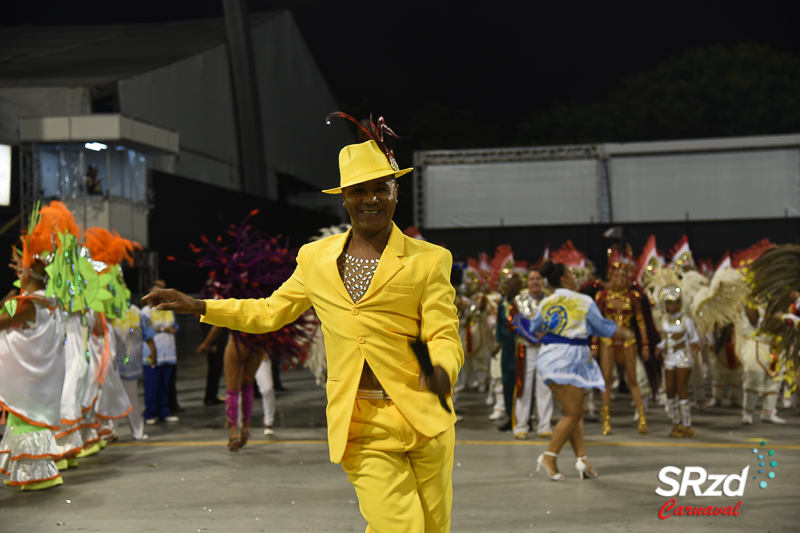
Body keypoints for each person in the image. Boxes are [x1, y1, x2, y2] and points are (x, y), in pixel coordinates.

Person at [143, 113, 463, 532]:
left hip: (425, 418)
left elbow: (442, 330)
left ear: (396, 192)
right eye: (358, 191)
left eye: (380, 189)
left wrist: (442, 368)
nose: (371, 199)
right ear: (344, 198)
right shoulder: (315, 259)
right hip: (361, 422)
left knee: (433, 529)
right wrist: (202, 306)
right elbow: (270, 312)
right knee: (400, 527)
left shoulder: (430, 259)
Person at [515, 261, 616, 481]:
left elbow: (535, 327)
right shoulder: (583, 300)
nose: (574, 277)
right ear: (563, 279)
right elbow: (602, 327)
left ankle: (582, 459)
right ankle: (549, 456)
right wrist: (620, 331)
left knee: (575, 411)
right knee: (572, 413)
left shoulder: (548, 302)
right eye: (571, 273)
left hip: (556, 357)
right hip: (569, 359)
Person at [594, 247, 651, 435]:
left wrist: (645, 344)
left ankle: (642, 418)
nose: (620, 280)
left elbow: (640, 322)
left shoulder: (633, 296)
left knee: (633, 380)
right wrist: (594, 344)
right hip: (608, 342)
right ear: (610, 277)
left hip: (628, 341)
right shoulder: (602, 296)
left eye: (623, 276)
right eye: (616, 276)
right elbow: (597, 322)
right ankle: (606, 421)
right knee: (606, 381)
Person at [649, 270, 701, 438]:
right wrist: (659, 346)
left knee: (681, 389)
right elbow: (667, 340)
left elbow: (696, 338)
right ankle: (675, 423)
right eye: (670, 303)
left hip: (684, 357)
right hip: (669, 358)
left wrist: (693, 343)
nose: (673, 306)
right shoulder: (664, 320)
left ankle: (687, 425)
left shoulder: (687, 321)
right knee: (670, 391)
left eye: (676, 302)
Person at [512, 267, 553, 439]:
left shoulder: (551, 299)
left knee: (545, 387)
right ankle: (521, 426)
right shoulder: (518, 300)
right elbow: (512, 322)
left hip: (545, 348)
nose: (535, 281)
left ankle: (544, 426)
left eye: (538, 278)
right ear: (527, 282)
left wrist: (546, 332)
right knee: (524, 387)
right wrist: (527, 330)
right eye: (532, 279)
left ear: (543, 281)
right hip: (525, 349)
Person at [141, 287, 180, 425]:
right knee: (152, 385)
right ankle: (150, 413)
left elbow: (176, 327)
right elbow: (145, 330)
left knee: (165, 385)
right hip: (152, 352)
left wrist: (173, 329)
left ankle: (164, 412)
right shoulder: (145, 312)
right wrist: (163, 329)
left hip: (168, 352)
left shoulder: (168, 309)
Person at [495, 274, 522, 432]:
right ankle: (509, 416)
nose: (506, 286)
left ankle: (524, 416)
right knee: (507, 381)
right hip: (507, 348)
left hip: (521, 347)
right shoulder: (502, 303)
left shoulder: (524, 302)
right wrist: (497, 343)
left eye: (509, 283)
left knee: (522, 382)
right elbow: (500, 324)